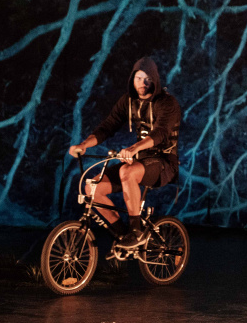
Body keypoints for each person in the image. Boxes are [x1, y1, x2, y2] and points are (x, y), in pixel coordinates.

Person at [68, 57, 180, 248]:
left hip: (163, 162)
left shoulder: (167, 102)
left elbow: (160, 133)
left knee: (126, 171)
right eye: (138, 78)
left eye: (147, 79)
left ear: (154, 79)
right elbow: (108, 126)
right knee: (92, 188)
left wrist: (134, 148)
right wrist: (84, 145)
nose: (143, 83)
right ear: (132, 79)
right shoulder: (128, 101)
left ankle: (136, 232)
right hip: (140, 160)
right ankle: (123, 235)